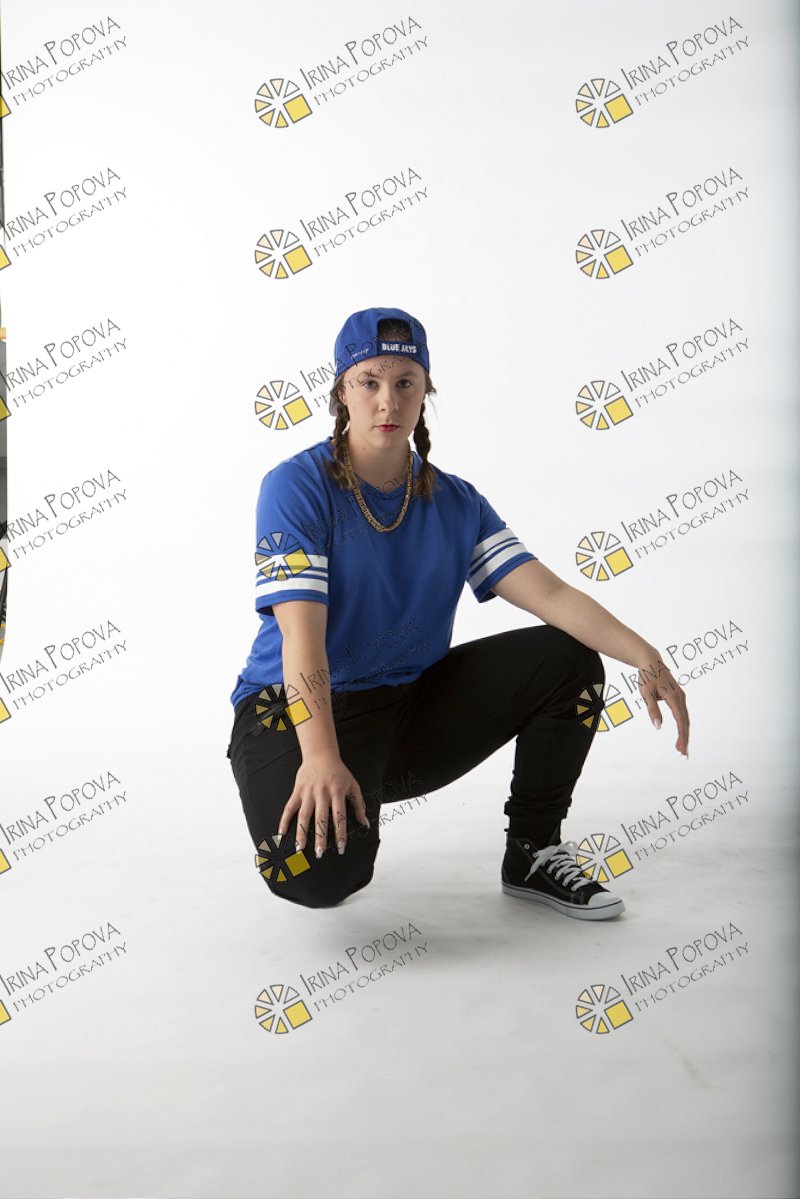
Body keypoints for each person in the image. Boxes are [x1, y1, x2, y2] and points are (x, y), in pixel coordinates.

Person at [226, 306, 690, 919]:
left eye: (405, 383)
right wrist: (319, 758)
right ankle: (341, 787)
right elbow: (301, 638)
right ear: (341, 392)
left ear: (426, 391)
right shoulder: (296, 486)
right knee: (320, 880)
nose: (387, 401)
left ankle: (532, 852)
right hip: (293, 712)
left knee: (567, 660)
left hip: (405, 706)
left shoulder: (455, 501)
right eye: (369, 382)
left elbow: (550, 596)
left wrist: (646, 657)